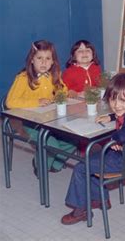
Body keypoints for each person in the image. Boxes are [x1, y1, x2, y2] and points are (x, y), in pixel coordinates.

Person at [61, 73, 125, 224]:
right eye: (113, 99)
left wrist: (115, 139)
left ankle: (81, 210)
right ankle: (101, 199)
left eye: (122, 100)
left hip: (123, 161)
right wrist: (111, 117)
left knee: (81, 168)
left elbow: (124, 134)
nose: (117, 105)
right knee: (91, 157)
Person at [6, 40, 76, 174]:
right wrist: (36, 102)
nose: (44, 62)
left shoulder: (53, 75)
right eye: (39, 58)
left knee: (73, 140)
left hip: (52, 120)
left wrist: (59, 94)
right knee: (50, 144)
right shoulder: (23, 77)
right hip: (31, 123)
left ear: (52, 61)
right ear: (32, 59)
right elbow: (10, 102)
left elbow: (63, 90)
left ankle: (55, 163)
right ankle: (40, 165)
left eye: (47, 58)